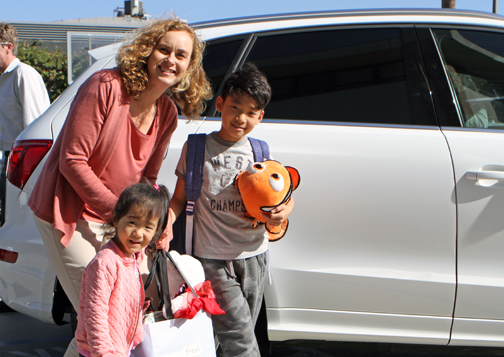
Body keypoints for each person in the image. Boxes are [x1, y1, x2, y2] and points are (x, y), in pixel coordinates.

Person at [28, 16, 211, 357]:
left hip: (122, 219)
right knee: (99, 315)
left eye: (181, 55)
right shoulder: (106, 86)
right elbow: (72, 160)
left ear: (189, 67)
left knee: (122, 316)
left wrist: (158, 222)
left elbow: (149, 181)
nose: (171, 60)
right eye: (164, 49)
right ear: (147, 51)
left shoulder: (167, 112)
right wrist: (124, 216)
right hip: (69, 210)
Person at [168, 63, 295, 357]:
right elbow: (178, 199)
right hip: (211, 258)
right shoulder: (198, 148)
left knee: (234, 331)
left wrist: (283, 212)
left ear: (260, 116)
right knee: (239, 338)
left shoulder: (261, 152)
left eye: (251, 112)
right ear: (221, 104)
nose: (241, 118)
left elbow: (283, 195)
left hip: (254, 257)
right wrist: (165, 225)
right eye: (235, 107)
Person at [75, 182, 170, 357]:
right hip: (100, 351)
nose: (138, 233)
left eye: (148, 227)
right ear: (117, 219)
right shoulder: (105, 263)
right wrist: (104, 353)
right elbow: (95, 314)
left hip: (120, 345)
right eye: (132, 222)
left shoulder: (133, 256)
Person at [0, 23, 50, 193]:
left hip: (23, 163)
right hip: (9, 160)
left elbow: (36, 127)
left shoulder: (24, 74)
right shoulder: (4, 79)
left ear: (8, 47)